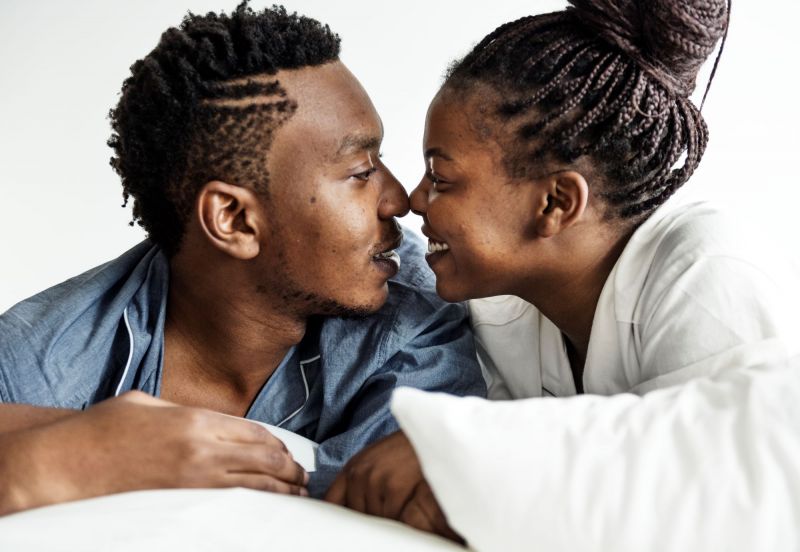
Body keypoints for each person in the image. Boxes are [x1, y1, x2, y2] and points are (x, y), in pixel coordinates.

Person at [326, 0, 800, 539]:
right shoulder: (499, 311)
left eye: (442, 177)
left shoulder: (706, 273)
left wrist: (486, 455)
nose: (414, 199)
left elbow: (719, 499)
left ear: (555, 203)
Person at [0, 3, 485, 516]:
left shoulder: (415, 316)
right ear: (233, 219)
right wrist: (68, 458)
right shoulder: (42, 357)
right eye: (361, 171)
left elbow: (393, 515)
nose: (399, 200)